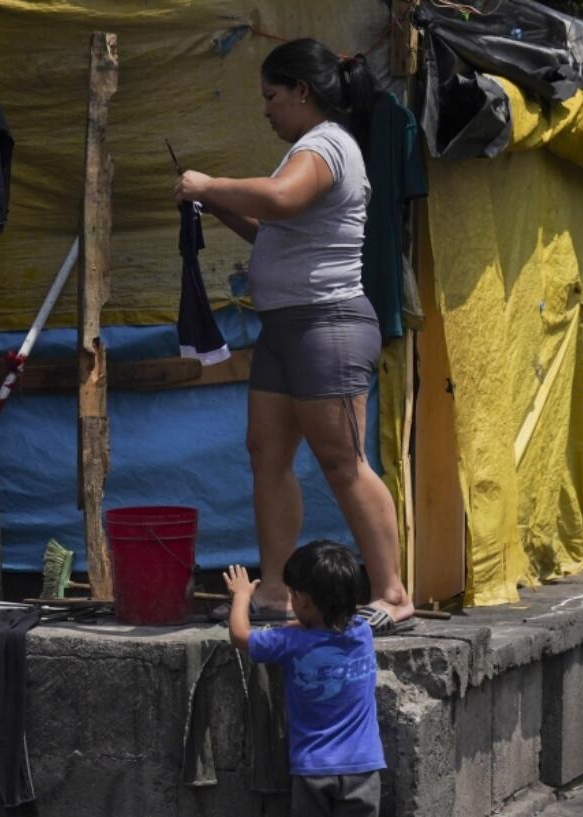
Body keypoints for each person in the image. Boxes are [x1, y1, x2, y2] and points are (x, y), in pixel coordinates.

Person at [173, 38, 413, 633]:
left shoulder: (326, 144)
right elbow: (273, 227)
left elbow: (280, 200)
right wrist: (216, 207)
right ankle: (276, 590)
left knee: (342, 461)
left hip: (326, 325)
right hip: (283, 328)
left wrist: (210, 183)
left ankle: (392, 591)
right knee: (267, 457)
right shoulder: (307, 150)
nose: (266, 110)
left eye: (271, 96)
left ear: (302, 92)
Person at [225, 542, 385, 817]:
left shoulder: (290, 643)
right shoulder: (362, 633)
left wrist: (241, 595)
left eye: (292, 594)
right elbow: (324, 623)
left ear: (303, 600)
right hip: (363, 767)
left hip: (312, 768)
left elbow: (240, 635)